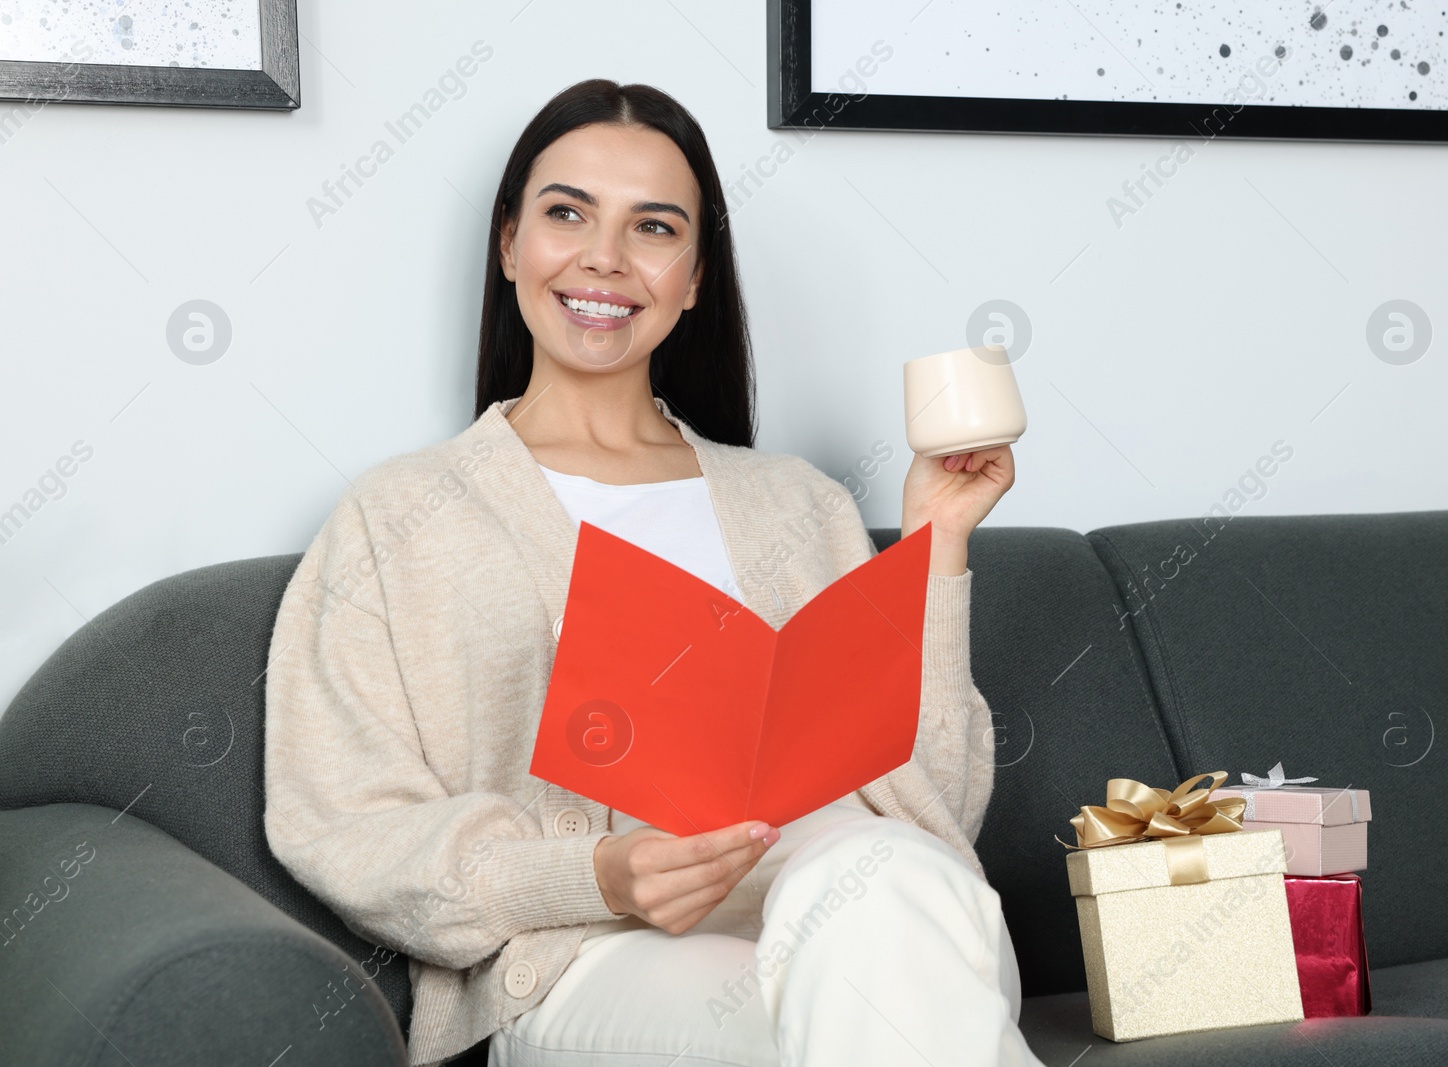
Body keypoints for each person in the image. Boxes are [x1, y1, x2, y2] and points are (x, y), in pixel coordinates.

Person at [263, 78, 1034, 1067]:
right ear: (509, 245)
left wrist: (935, 541)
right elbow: (342, 827)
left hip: (858, 897)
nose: (605, 257)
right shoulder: (397, 516)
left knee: (886, 886)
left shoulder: (801, 503)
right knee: (871, 1009)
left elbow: (934, 807)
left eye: (655, 227)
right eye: (566, 212)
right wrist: (596, 874)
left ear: (696, 274)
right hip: (592, 957)